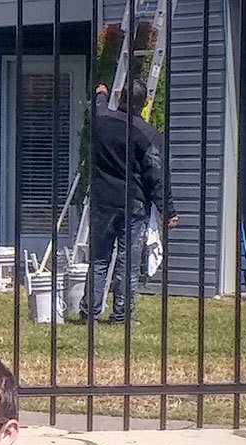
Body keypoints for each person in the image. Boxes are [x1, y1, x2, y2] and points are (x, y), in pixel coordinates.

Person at [79, 80, 177, 326]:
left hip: (103, 201)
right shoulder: (148, 134)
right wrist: (168, 210)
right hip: (133, 204)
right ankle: (121, 315)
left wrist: (101, 93)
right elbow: (156, 175)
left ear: (120, 98)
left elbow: (98, 106)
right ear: (144, 104)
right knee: (127, 262)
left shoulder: (102, 120)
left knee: (99, 259)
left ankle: (89, 312)